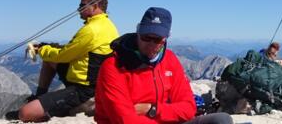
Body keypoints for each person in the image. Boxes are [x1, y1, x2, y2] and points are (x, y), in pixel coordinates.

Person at [94, 7, 232, 124]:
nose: (152, 44)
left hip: (160, 119)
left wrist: (152, 109)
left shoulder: (169, 59)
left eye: (158, 39)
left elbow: (189, 108)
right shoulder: (113, 66)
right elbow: (124, 119)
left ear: (166, 38)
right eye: (146, 37)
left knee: (222, 120)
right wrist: (170, 112)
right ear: (138, 32)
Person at [11, 0, 119, 122]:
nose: (78, 9)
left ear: (95, 6)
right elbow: (76, 49)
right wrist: (48, 48)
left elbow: (64, 55)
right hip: (90, 79)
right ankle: (39, 96)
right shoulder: (107, 26)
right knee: (49, 60)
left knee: (24, 113)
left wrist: (42, 50)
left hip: (83, 89)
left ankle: (45, 113)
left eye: (82, 5)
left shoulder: (91, 30)